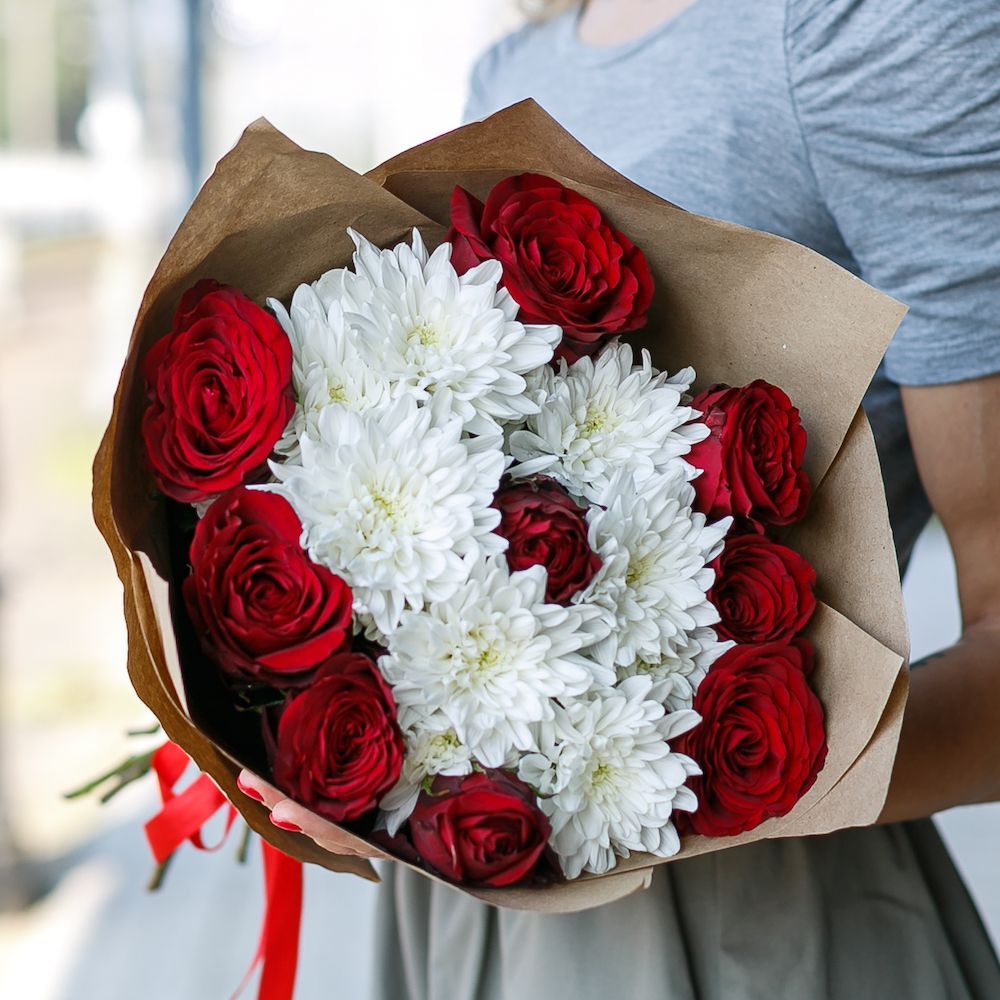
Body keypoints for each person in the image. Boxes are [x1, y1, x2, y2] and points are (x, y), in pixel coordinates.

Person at [239, 1, 1000, 996]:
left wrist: (695, 770)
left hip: (758, 922)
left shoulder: (871, 32)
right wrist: (339, 744)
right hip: (473, 904)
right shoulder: (510, 71)